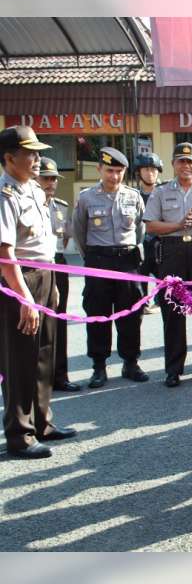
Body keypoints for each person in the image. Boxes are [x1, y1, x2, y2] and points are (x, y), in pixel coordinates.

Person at [0, 125, 75, 459]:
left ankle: (43, 422)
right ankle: (20, 434)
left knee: (45, 352)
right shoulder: (5, 194)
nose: (36, 159)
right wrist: (25, 298)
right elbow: (5, 254)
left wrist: (53, 286)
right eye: (29, 153)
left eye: (37, 152)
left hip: (45, 275)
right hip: (20, 281)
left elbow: (45, 243)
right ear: (9, 158)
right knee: (20, 358)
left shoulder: (31, 189)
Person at [143, 142, 192, 388]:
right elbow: (151, 225)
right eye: (181, 161)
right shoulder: (161, 191)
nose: (186, 166)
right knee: (173, 313)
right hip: (172, 253)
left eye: (191, 161)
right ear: (174, 164)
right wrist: (178, 225)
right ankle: (173, 369)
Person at [72, 147, 149, 388]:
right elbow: (79, 232)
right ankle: (98, 367)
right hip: (99, 261)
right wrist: (94, 258)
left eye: (119, 171)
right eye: (109, 171)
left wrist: (130, 251)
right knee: (98, 314)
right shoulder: (86, 197)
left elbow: (140, 230)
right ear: (99, 169)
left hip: (127, 261)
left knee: (131, 314)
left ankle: (130, 362)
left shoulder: (133, 196)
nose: (114, 176)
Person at [36, 157, 79, 392]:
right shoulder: (27, 204)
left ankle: (60, 376)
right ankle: (34, 378)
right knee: (33, 325)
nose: (51, 182)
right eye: (45, 177)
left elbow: (66, 238)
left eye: (54, 178)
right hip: (34, 268)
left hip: (58, 267)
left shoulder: (60, 207)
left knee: (58, 322)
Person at [134, 152, 163, 315]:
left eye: (153, 169)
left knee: (164, 281)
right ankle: (143, 302)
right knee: (140, 279)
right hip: (141, 244)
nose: (150, 173)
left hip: (161, 244)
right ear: (139, 172)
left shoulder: (165, 193)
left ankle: (161, 301)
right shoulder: (133, 195)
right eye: (146, 169)